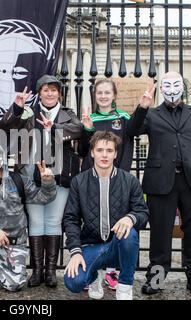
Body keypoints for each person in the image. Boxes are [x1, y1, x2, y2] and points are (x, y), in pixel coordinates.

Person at [127, 71, 191, 297]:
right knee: (160, 233)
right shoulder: (152, 114)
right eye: (166, 85)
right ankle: (156, 279)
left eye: (176, 84)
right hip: (160, 183)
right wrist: (142, 108)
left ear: (182, 87)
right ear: (161, 88)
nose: (171, 89)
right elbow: (131, 132)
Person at [0, 74, 83, 288]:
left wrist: (53, 128)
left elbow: (78, 129)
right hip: (30, 175)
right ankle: (36, 271)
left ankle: (50, 272)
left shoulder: (67, 113)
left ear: (59, 93)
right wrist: (17, 107)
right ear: (39, 93)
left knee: (54, 221)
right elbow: (7, 124)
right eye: (45, 89)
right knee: (36, 222)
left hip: (59, 175)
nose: (49, 93)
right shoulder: (29, 113)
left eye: (53, 89)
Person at [63, 130, 149, 300]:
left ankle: (124, 286)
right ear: (92, 152)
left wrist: (130, 218)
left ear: (115, 154)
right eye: (100, 150)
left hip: (117, 247)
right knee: (73, 282)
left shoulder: (129, 180)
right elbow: (71, 219)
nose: (104, 155)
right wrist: (75, 252)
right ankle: (93, 276)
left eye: (109, 151)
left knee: (129, 231)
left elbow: (142, 213)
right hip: (91, 246)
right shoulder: (79, 182)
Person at [0, 142, 57, 292]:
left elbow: (44, 197)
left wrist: (47, 182)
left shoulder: (19, 180)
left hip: (12, 242)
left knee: (14, 286)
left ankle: (4, 267)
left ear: (4, 158)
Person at [78, 78, 136, 290]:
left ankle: (112, 271)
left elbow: (136, 130)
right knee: (91, 222)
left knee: (115, 223)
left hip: (116, 180)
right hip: (91, 179)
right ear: (95, 96)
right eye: (99, 93)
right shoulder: (89, 118)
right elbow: (83, 151)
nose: (103, 96)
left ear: (114, 95)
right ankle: (91, 270)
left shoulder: (123, 117)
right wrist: (86, 130)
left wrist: (144, 107)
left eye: (106, 92)